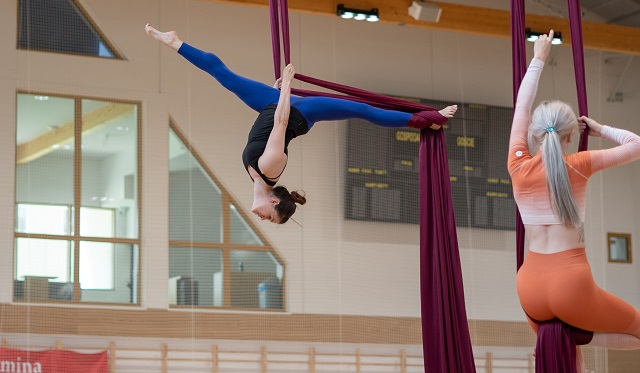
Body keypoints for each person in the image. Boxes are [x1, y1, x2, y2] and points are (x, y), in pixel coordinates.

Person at [146, 24, 457, 224]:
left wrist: (276, 92)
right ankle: (426, 120)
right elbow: (281, 122)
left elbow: (265, 126)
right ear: (274, 201)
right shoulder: (269, 168)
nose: (263, 219)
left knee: (223, 75)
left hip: (270, 103)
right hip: (299, 111)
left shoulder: (254, 176)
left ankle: (175, 42)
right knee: (364, 110)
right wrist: (287, 88)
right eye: (270, 217)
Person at [510, 30, 640, 360]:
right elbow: (636, 145)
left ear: (534, 135)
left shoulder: (517, 165)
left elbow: (522, 106)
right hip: (572, 286)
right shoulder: (581, 165)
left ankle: (570, 336)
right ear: (571, 136)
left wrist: (538, 59)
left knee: (564, 355)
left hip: (529, 289)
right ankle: (576, 336)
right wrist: (600, 129)